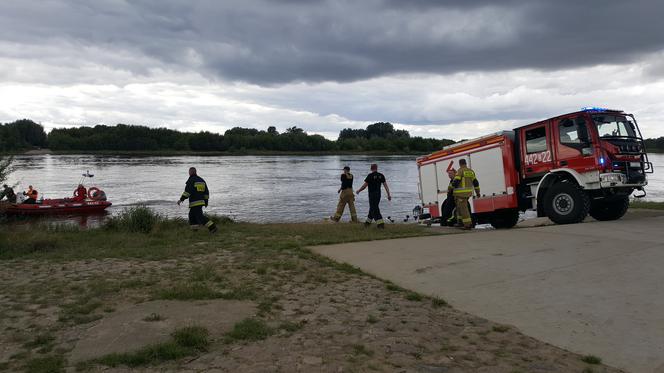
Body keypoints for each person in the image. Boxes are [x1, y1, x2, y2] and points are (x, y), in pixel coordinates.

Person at [177, 167, 217, 233]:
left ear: (190, 172)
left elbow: (187, 192)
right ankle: (194, 231)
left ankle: (213, 227)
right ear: (195, 172)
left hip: (195, 202)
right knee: (191, 216)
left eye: (189, 172)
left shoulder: (191, 180)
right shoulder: (201, 180)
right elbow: (206, 192)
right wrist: (206, 202)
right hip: (201, 202)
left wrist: (181, 199)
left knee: (200, 218)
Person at [356, 163, 392, 229]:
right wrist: (388, 194)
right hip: (378, 195)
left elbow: (364, 186)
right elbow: (385, 185)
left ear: (371, 168)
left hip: (372, 195)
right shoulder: (381, 175)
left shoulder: (370, 175)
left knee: (374, 209)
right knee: (372, 208)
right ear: (377, 168)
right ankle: (367, 223)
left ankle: (380, 224)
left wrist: (359, 190)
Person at [450, 159, 480, 230]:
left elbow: (456, 182)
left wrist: (450, 188)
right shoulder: (471, 171)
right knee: (459, 209)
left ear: (460, 164)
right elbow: (476, 183)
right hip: (467, 193)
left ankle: (467, 225)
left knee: (464, 209)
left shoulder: (460, 171)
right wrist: (478, 192)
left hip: (460, 194)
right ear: (465, 163)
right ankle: (460, 222)